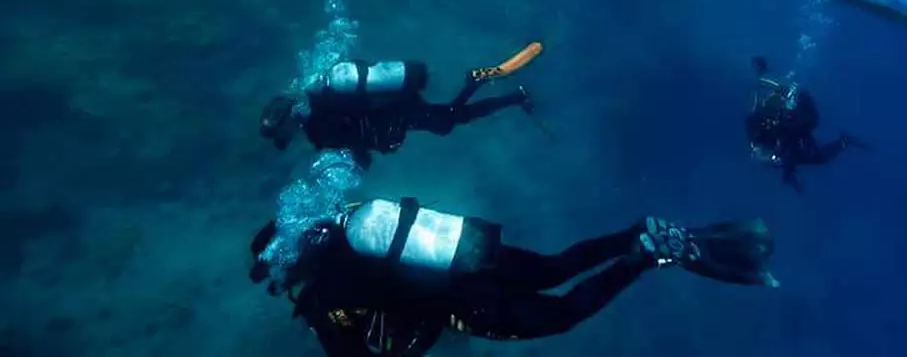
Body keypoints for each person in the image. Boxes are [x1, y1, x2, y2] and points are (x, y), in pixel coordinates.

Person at [249, 166, 779, 357]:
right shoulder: (350, 222)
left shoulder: (322, 302)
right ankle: (635, 233)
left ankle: (643, 257)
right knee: (555, 266)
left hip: (461, 301)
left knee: (563, 314)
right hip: (471, 251)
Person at [260, 43, 543, 167]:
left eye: (282, 137)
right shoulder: (318, 95)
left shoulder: (317, 130)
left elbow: (359, 143)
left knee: (450, 120)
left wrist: (375, 147)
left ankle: (480, 81)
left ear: (287, 124)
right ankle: (511, 96)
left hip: (398, 110)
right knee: (450, 120)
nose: (287, 140)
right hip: (397, 107)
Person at [746, 56, 867, 193]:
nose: (773, 159)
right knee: (803, 154)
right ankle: (844, 142)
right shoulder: (760, 132)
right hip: (792, 121)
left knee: (814, 156)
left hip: (798, 121)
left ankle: (844, 142)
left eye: (771, 158)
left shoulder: (771, 131)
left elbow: (790, 146)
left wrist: (788, 171)